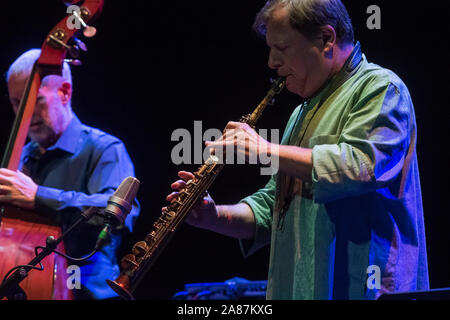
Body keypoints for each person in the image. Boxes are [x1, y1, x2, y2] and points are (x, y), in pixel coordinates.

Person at [166, 0, 429, 299]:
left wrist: (263, 149)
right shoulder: (300, 112)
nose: (271, 62)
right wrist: (215, 217)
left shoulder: (381, 87)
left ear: (326, 39)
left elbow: (361, 166)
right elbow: (273, 206)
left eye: (282, 48)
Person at [0, 49, 140, 299]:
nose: (24, 113)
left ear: (64, 92)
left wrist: (39, 196)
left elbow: (118, 215)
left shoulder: (105, 149)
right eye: (16, 103)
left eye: (35, 101)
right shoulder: (22, 157)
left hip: (85, 292)